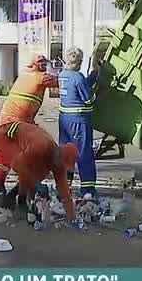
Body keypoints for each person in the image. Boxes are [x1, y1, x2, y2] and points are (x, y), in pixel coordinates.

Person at [0, 54, 59, 193]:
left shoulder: (24, 74)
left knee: (6, 151)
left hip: (8, 118)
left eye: (45, 63)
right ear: (34, 64)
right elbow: (62, 81)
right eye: (41, 63)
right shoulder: (41, 77)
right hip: (18, 121)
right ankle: (28, 185)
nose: (44, 65)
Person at [0, 120, 79, 220]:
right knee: (30, 171)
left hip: (22, 144)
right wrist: (36, 184)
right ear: (58, 155)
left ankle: (12, 198)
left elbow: (64, 192)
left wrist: (72, 216)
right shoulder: (41, 146)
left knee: (39, 173)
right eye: (61, 163)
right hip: (3, 137)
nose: (60, 166)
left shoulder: (59, 163)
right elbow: (18, 165)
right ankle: (20, 201)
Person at [58, 48, 100, 198]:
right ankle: (88, 191)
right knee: (84, 154)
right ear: (80, 62)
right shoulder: (78, 77)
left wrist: (93, 76)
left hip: (64, 120)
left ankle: (63, 188)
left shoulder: (62, 75)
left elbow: (77, 87)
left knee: (66, 154)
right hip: (78, 121)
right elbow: (89, 99)